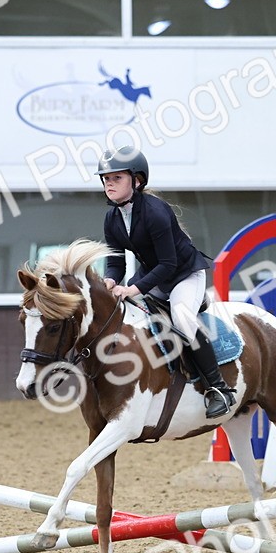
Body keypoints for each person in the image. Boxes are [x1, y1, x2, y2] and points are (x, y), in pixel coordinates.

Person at [97, 146, 236, 419]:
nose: (109, 184)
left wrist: (133, 289)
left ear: (137, 181)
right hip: (154, 275)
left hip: (185, 275)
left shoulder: (156, 212)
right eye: (106, 179)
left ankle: (219, 389)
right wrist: (110, 282)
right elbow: (117, 263)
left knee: (182, 319)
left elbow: (169, 265)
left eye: (116, 178)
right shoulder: (111, 217)